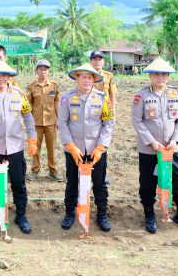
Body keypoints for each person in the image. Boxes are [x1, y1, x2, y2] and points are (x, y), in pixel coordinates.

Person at [131, 57, 178, 234]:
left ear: (168, 76)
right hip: (149, 150)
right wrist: (152, 142)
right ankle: (149, 214)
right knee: (147, 184)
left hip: (172, 149)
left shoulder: (176, 94)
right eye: (156, 74)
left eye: (164, 74)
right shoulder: (141, 95)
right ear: (150, 76)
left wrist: (175, 140)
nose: (160, 77)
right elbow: (137, 121)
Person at [0, 61, 37, 235]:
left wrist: (32, 138)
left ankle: (21, 216)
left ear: (9, 77)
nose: (0, 78)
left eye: (4, 75)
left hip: (15, 149)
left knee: (19, 184)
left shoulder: (20, 95)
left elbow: (28, 117)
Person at [59, 63, 115, 232]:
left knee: (99, 183)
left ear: (94, 79)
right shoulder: (67, 98)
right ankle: (70, 213)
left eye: (89, 77)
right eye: (83, 76)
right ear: (77, 78)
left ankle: (102, 215)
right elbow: (62, 122)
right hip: (74, 149)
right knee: (72, 182)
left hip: (95, 150)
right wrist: (70, 146)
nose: (86, 80)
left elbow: (108, 122)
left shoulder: (102, 98)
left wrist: (101, 146)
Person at [25, 59, 62, 182]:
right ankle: (35, 170)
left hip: (51, 122)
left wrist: (59, 118)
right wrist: (29, 122)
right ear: (36, 71)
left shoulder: (54, 86)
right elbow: (28, 105)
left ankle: (53, 170)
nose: (43, 71)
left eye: (45, 69)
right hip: (36, 123)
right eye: (40, 69)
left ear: (48, 71)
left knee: (51, 147)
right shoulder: (31, 87)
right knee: (35, 147)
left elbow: (57, 101)